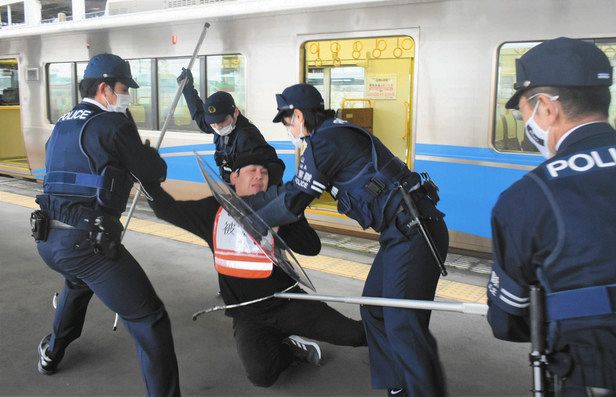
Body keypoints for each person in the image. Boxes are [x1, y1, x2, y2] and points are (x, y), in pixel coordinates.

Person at [245, 84, 449, 396]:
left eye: (287, 121)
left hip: (414, 231)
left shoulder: (323, 143)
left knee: (403, 326)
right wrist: (252, 204)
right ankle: (398, 385)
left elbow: (293, 203)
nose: (288, 128)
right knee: (374, 310)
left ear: (298, 115)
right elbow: (291, 190)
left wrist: (255, 221)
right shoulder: (334, 133)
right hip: (404, 231)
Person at [486, 37, 616, 396]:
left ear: (546, 108)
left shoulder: (528, 197)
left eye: (524, 112)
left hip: (601, 372)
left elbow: (507, 319)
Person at [144, 153, 367, 388]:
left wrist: (285, 221)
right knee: (261, 375)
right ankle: (290, 348)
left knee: (356, 334)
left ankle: (400, 333)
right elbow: (165, 209)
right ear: (234, 177)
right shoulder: (214, 210)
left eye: (264, 172)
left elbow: (312, 247)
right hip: (247, 314)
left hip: (288, 303)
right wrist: (147, 177)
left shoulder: (278, 207)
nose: (259, 176)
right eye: (252, 170)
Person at [33, 53, 180, 396]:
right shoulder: (113, 125)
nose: (127, 94)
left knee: (77, 284)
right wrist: (146, 154)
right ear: (104, 88)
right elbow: (154, 174)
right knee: (150, 319)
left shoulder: (63, 124)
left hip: (48, 239)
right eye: (123, 88)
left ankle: (52, 353)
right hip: (87, 245)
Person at [176, 68, 285, 184]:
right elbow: (199, 115)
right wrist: (187, 89)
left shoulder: (247, 137)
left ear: (236, 112)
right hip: (231, 191)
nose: (218, 127)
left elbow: (275, 168)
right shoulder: (219, 126)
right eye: (213, 122)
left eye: (222, 121)